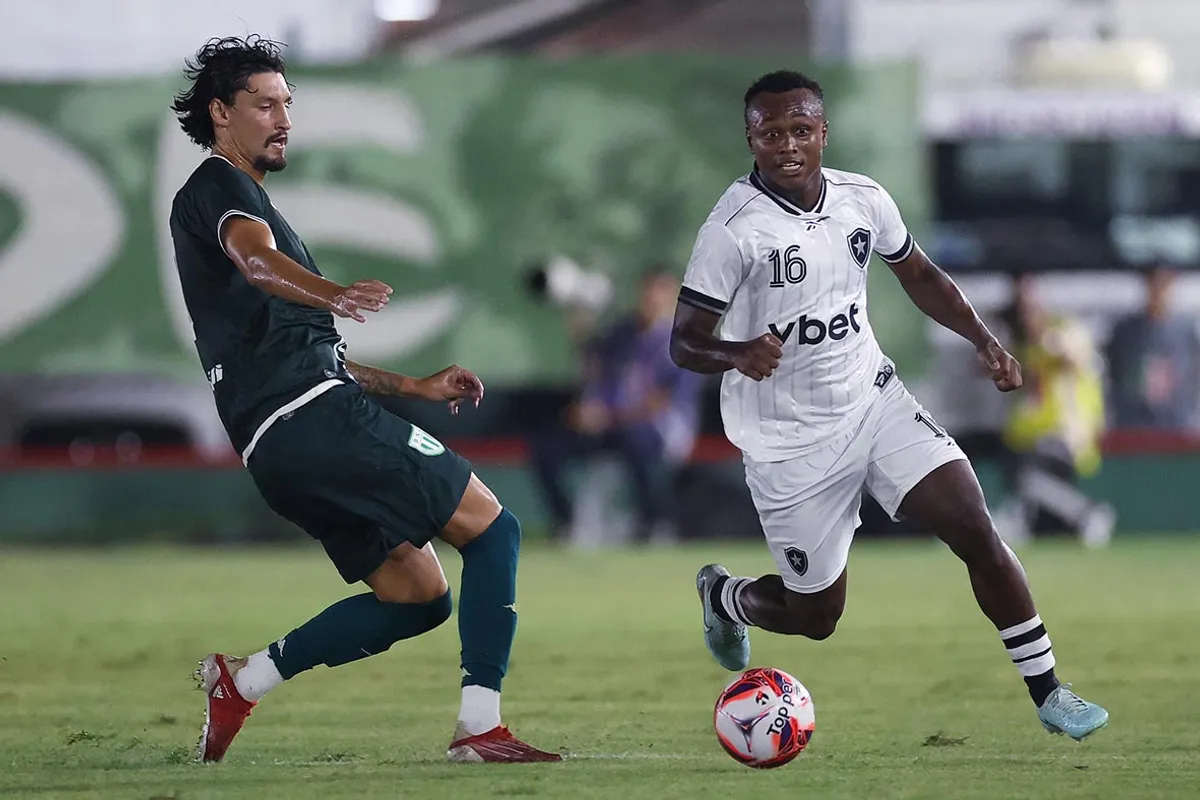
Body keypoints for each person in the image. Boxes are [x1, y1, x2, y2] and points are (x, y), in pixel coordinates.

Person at [669, 70, 1108, 740]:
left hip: (874, 403)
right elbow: (684, 341)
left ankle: (1051, 691)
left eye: (800, 130)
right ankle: (726, 597)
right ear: (750, 139)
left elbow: (920, 274)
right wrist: (735, 352)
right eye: (770, 133)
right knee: (816, 617)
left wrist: (985, 340)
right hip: (789, 440)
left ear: (823, 132)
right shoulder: (732, 230)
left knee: (975, 528)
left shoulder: (862, 200)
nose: (787, 144)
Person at [168, 36, 559, 764]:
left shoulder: (246, 197)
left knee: (419, 596)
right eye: (265, 104)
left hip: (280, 445)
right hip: (313, 421)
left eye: (288, 103)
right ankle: (480, 729)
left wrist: (412, 386)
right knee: (493, 528)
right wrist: (334, 293)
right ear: (221, 113)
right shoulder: (217, 188)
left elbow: (308, 351)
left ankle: (243, 681)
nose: (283, 118)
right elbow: (254, 261)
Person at [528, 266, 703, 542]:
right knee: (549, 446)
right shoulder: (623, 334)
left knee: (638, 440)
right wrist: (587, 408)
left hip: (662, 429)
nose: (650, 298)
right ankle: (566, 523)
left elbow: (660, 403)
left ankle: (656, 523)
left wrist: (607, 416)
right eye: (647, 290)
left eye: (659, 291)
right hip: (613, 425)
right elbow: (595, 370)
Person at [996, 272, 1115, 547]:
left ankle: (1087, 513)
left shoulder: (1065, 333)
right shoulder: (1021, 350)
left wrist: (1049, 342)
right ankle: (1021, 520)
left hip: (1071, 436)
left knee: (1027, 471)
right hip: (1036, 438)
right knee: (1023, 469)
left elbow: (1073, 359)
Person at [1105, 265, 1200, 430]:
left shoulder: (1186, 329)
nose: (1159, 291)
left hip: (1177, 424)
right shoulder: (1125, 330)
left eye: (1164, 284)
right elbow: (1115, 373)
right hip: (1134, 425)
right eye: (1154, 283)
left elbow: (1191, 373)